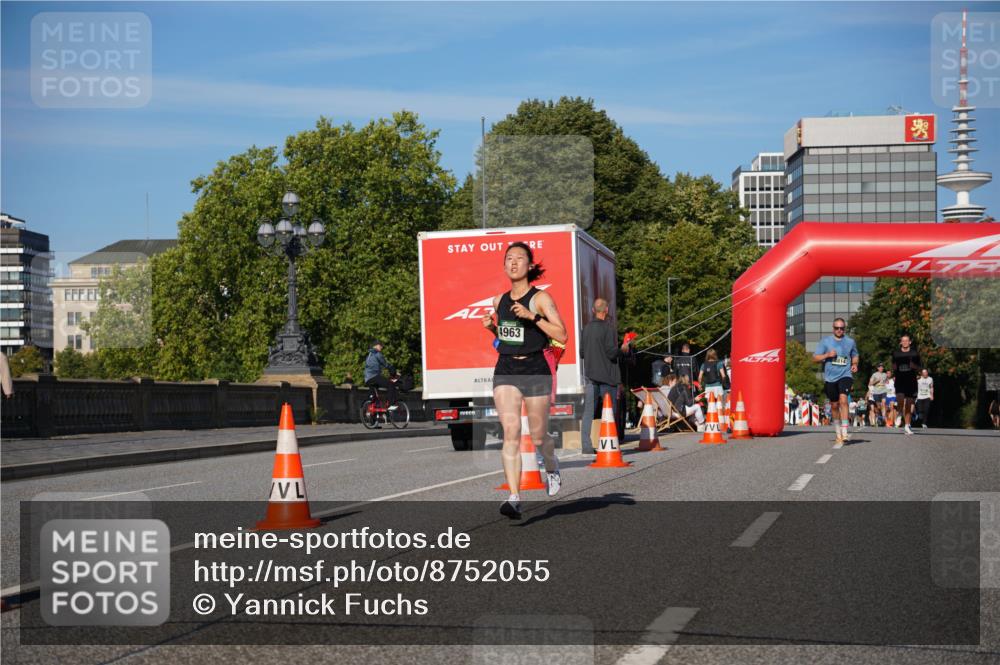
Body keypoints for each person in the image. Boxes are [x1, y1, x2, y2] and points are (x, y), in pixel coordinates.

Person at [482, 242, 568, 518]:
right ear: (504, 265)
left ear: (530, 266)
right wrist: (492, 328)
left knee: (539, 434)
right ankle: (514, 496)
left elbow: (562, 335)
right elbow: (506, 341)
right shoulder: (499, 301)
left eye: (520, 258)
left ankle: (552, 467)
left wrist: (533, 317)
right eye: (509, 258)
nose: (514, 262)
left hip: (535, 368)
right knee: (511, 432)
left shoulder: (540, 299)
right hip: (506, 369)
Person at [580, 298, 628, 456]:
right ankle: (609, 444)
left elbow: (581, 353)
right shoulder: (608, 329)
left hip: (591, 377)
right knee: (609, 412)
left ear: (593, 311)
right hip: (607, 378)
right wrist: (622, 349)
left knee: (588, 413)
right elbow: (611, 352)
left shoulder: (585, 329)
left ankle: (586, 446)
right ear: (606, 310)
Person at [812, 317, 859, 443]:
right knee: (834, 405)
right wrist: (827, 355)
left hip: (845, 375)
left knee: (843, 400)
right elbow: (815, 358)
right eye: (837, 328)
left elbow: (855, 355)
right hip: (830, 377)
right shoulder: (825, 342)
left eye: (842, 328)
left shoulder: (850, 342)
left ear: (844, 329)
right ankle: (838, 430)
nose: (839, 330)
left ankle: (845, 431)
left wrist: (855, 364)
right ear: (833, 329)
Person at [892, 334, 921, 435]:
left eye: (906, 340)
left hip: (911, 381)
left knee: (908, 404)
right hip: (900, 380)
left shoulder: (915, 353)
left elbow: (919, 367)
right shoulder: (896, 353)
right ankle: (900, 412)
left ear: (910, 342)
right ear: (900, 342)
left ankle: (907, 426)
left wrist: (914, 367)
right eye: (903, 341)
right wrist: (895, 371)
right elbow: (894, 365)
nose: (904, 342)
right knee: (900, 399)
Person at [364, 341, 398, 414]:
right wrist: (393, 370)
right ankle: (391, 405)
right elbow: (385, 364)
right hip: (374, 377)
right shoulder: (377, 354)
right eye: (380, 345)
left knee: (374, 398)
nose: (381, 347)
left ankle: (373, 421)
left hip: (367, 379)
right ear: (375, 346)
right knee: (390, 384)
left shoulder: (369, 355)